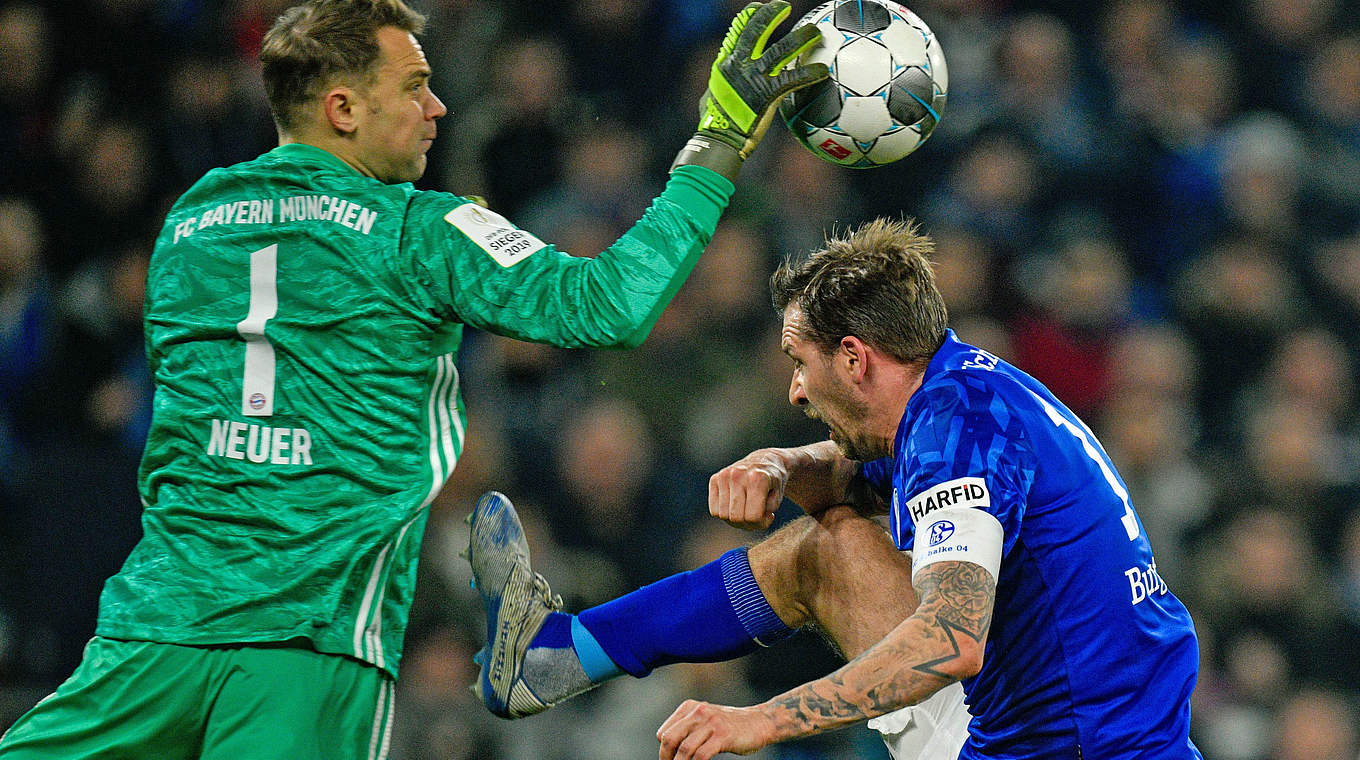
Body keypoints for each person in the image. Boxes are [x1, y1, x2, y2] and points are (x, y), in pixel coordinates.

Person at [0, 1, 828, 758]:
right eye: (417, 85)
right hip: (312, 641)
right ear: (344, 109)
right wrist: (716, 139)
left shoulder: (189, 220)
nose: (438, 108)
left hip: (152, 631)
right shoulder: (421, 232)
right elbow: (607, 305)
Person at [467, 218, 1204, 759]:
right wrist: (783, 468)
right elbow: (853, 477)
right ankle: (553, 656)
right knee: (824, 549)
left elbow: (950, 640)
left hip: (1067, 750)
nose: (793, 389)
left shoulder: (957, 433)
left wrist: (761, 720)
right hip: (1077, 731)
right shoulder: (958, 391)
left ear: (853, 359)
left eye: (799, 360)